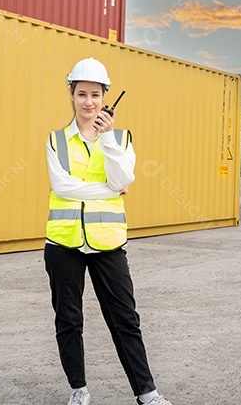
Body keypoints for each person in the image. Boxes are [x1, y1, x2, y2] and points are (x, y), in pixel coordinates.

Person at [44, 57, 174, 405]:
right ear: (71, 95)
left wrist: (107, 141)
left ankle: (148, 394)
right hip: (63, 242)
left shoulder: (120, 138)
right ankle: (79, 390)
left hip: (108, 244)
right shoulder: (56, 139)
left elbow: (124, 178)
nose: (88, 102)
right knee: (69, 320)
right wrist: (108, 190)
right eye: (82, 94)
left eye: (95, 95)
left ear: (106, 98)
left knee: (125, 320)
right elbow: (63, 186)